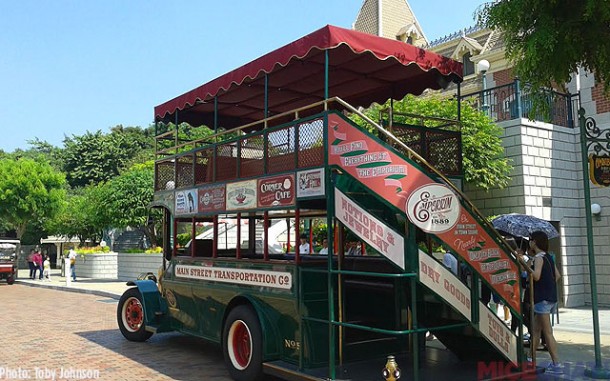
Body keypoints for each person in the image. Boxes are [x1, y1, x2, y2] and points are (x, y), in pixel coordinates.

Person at [528, 231, 562, 373]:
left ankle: (556, 364)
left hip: (541, 299)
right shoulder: (548, 257)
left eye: (530, 240)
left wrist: (526, 266)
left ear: (534, 242)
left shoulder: (538, 258)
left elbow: (536, 276)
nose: (529, 242)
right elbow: (558, 275)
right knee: (536, 330)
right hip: (550, 298)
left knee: (547, 332)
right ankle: (530, 358)